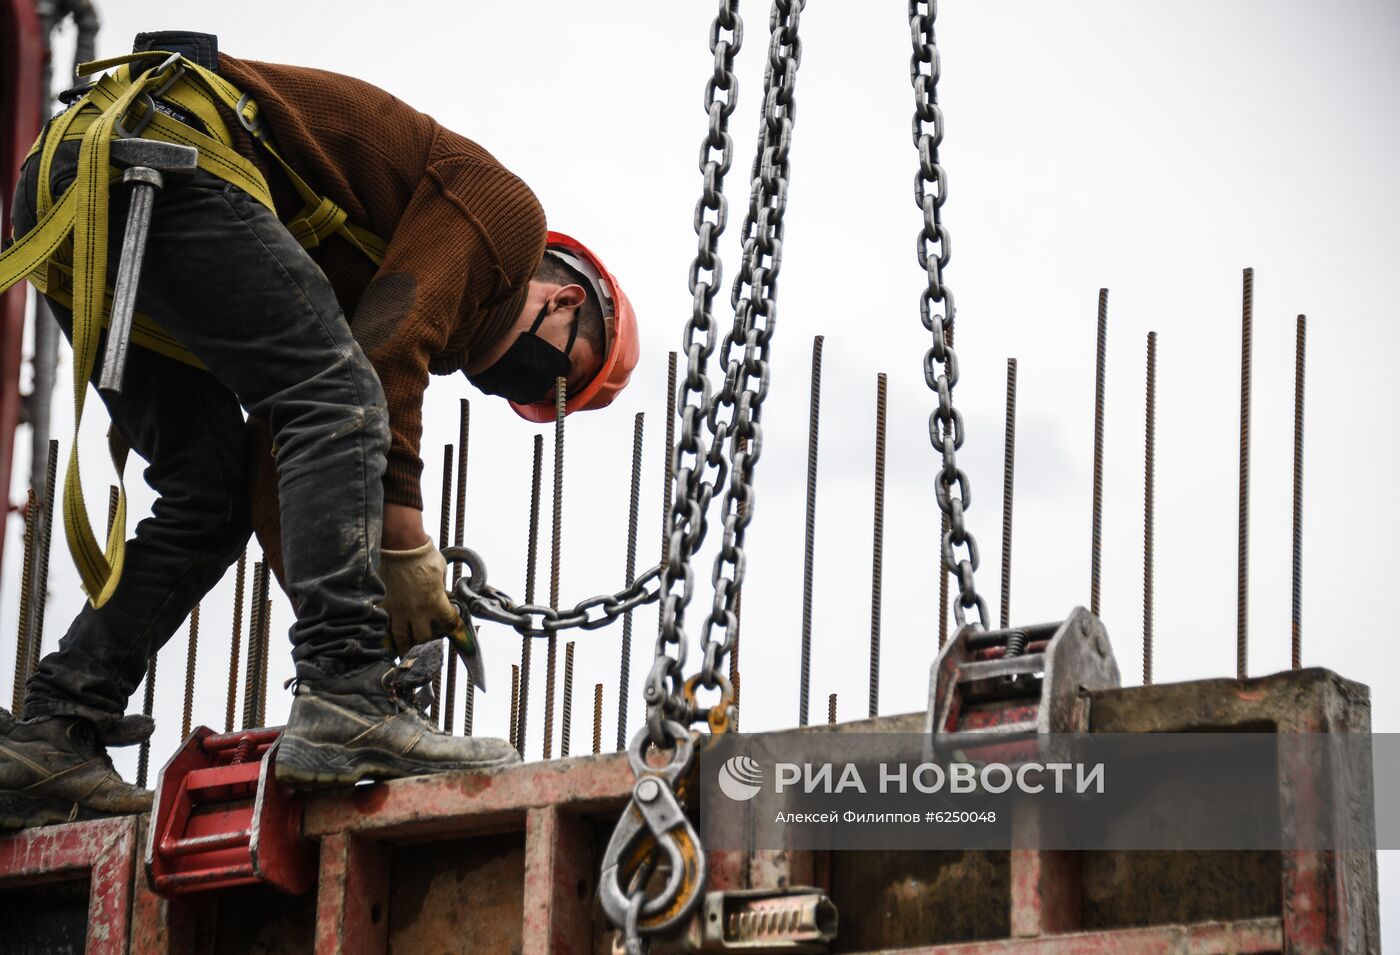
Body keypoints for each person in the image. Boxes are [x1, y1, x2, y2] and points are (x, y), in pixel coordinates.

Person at [0, 31, 637, 829]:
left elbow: (285, 476)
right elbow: (382, 357)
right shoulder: (507, 220)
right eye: (566, 377)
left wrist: (361, 621)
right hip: (158, 160)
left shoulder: (343, 293)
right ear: (568, 302)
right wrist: (402, 551)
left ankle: (55, 729)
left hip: (82, 184)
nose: (551, 390)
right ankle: (345, 702)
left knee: (211, 495)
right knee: (341, 393)